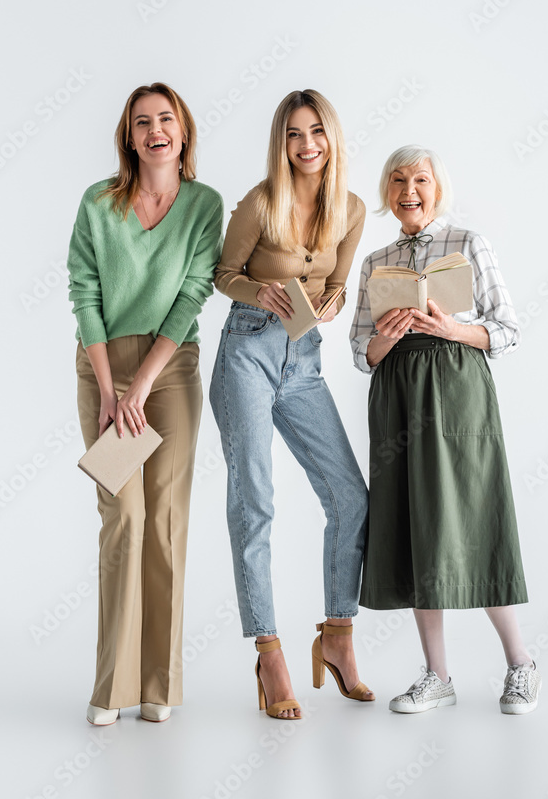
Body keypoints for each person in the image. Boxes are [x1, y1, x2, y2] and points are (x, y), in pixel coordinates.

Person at [350, 145, 541, 715]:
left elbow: (507, 330)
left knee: (476, 516)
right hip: (398, 396)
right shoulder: (375, 261)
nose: (409, 190)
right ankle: (437, 676)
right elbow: (362, 353)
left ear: (438, 188)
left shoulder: (468, 243)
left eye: (421, 180)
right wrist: (388, 333)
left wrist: (451, 328)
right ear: (387, 192)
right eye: (398, 180)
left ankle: (521, 664)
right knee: (414, 522)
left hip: (458, 393)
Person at [209, 89, 373, 720]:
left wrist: (329, 303)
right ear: (281, 143)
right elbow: (224, 276)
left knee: (349, 497)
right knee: (255, 500)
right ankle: (269, 650)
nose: (307, 146)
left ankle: (337, 635)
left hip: (303, 364)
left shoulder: (351, 209)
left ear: (332, 138)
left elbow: (336, 282)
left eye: (317, 133)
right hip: (248, 352)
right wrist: (263, 289)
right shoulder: (259, 202)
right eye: (294, 136)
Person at [68, 82, 223, 725]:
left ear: (183, 132)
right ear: (128, 137)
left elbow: (192, 296)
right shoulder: (98, 203)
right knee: (122, 518)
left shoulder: (205, 205)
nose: (155, 130)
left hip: (172, 369)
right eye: (141, 122)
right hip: (103, 365)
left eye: (166, 119)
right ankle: (112, 690)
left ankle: (158, 687)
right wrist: (111, 391)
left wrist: (142, 386)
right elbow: (83, 290)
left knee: (163, 521)